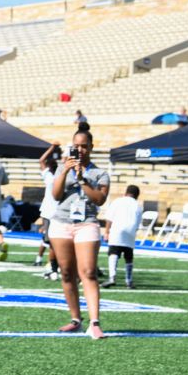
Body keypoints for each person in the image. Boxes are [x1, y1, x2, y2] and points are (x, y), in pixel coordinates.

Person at [49, 128, 111, 340]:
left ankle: (94, 322)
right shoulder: (62, 167)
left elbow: (99, 200)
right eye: (77, 146)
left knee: (88, 272)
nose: (80, 150)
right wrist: (66, 171)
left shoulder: (100, 174)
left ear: (91, 147)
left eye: (84, 146)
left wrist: (82, 179)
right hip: (61, 223)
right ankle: (76, 319)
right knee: (66, 272)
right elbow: (55, 195)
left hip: (86, 223)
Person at [101, 185, 143, 289]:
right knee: (129, 257)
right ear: (137, 195)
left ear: (126, 192)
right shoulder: (138, 205)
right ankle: (129, 281)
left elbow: (109, 218)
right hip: (131, 231)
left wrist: (106, 232)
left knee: (113, 253)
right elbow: (138, 223)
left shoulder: (118, 201)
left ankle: (112, 277)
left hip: (117, 230)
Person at [35, 143, 62, 273]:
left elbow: (41, 160)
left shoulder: (50, 177)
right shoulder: (57, 177)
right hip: (56, 211)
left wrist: (52, 147)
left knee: (49, 239)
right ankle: (47, 262)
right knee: (51, 239)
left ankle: (43, 260)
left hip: (49, 212)